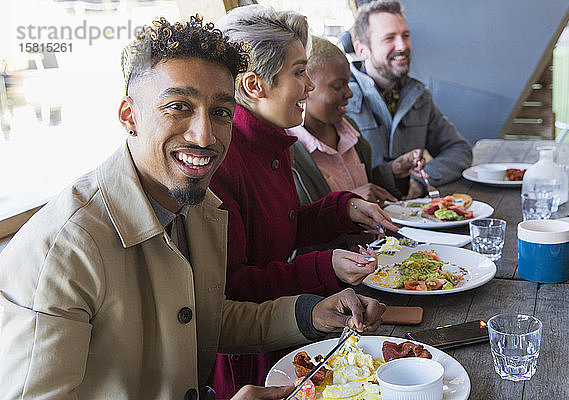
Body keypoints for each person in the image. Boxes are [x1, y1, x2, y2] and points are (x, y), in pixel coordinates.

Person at [0, 16, 386, 399]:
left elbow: (207, 318)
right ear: (128, 116)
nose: (204, 136)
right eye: (178, 107)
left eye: (220, 112)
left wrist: (311, 314)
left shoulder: (198, 208)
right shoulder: (63, 251)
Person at [208, 6, 396, 399]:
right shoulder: (224, 160)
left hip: (291, 338)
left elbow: (283, 224)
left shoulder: (274, 141)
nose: (309, 86)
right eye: (299, 72)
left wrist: (342, 208)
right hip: (250, 365)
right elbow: (236, 286)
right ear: (254, 85)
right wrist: (324, 265)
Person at [347, 0, 473, 199]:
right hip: (361, 224)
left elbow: (459, 150)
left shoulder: (420, 96)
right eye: (389, 38)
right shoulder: (340, 100)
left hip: (414, 219)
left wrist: (423, 180)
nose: (402, 45)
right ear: (362, 50)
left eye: (405, 36)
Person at [289, 35, 407, 206]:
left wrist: (392, 172)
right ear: (306, 87)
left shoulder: (349, 130)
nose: (349, 93)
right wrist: (346, 203)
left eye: (348, 83)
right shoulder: (291, 152)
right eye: (338, 86)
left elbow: (364, 186)